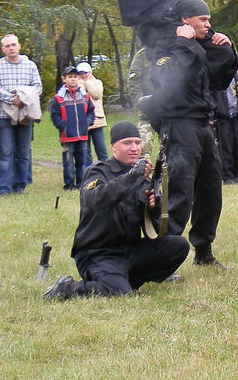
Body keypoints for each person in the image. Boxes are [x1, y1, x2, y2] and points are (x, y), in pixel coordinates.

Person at [42, 121, 189, 300]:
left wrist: (155, 208)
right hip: (97, 253)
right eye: (127, 143)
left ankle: (126, 281)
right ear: (113, 147)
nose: (134, 148)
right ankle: (68, 288)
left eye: (137, 142)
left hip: (128, 250)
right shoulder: (98, 172)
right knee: (120, 293)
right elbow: (94, 200)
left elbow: (153, 231)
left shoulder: (142, 181)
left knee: (178, 246)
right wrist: (130, 177)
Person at [145, 0, 237, 268]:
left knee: (211, 191)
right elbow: (173, 77)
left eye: (209, 19)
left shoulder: (201, 45)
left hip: (204, 125)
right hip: (179, 125)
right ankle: (164, 257)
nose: (209, 25)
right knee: (178, 191)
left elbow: (219, 78)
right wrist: (185, 43)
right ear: (185, 20)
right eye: (203, 20)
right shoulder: (165, 47)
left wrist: (228, 48)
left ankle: (204, 252)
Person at [0, 34, 42, 195]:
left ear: (19, 46)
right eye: (7, 46)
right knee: (6, 152)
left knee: (23, 152)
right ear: (3, 49)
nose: (11, 48)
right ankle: (4, 188)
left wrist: (23, 98)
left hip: (25, 114)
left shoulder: (30, 65)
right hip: (4, 115)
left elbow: (38, 86)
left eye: (13, 45)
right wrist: (12, 99)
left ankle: (20, 186)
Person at [49, 66, 95, 191]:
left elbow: (91, 111)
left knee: (82, 161)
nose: (73, 79)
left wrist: (87, 123)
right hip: (67, 136)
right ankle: (69, 184)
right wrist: (63, 127)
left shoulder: (84, 95)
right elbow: (54, 115)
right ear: (64, 79)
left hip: (82, 135)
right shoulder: (59, 97)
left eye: (75, 77)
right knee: (68, 162)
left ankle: (81, 183)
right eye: (70, 77)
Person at [76, 62, 108, 161]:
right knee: (85, 151)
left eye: (85, 73)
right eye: (80, 73)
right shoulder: (77, 84)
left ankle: (105, 169)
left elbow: (96, 94)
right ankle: (88, 171)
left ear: (90, 72)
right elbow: (79, 96)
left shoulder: (97, 82)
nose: (83, 75)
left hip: (97, 120)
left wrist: (87, 82)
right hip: (83, 120)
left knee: (101, 148)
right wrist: (81, 83)